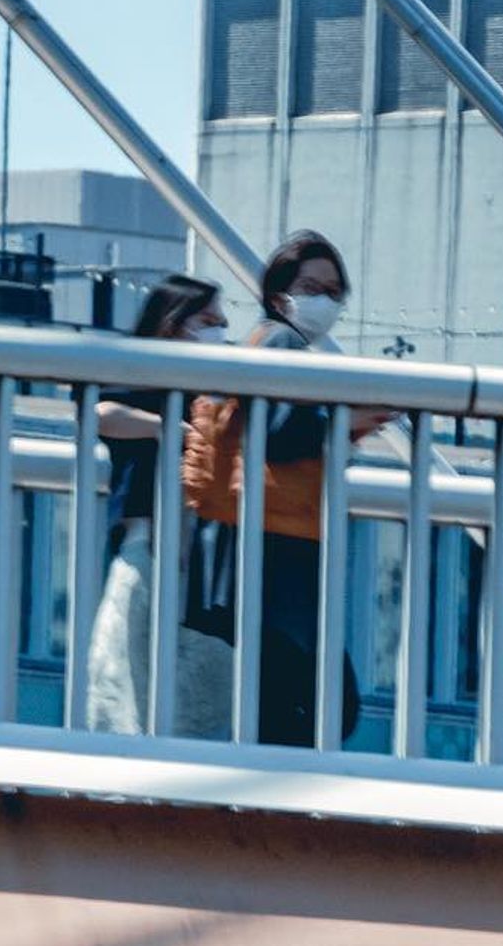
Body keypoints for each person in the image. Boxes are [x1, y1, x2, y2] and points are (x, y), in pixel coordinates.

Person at [184, 228, 389, 747]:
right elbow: (276, 433)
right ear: (280, 294)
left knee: (283, 695)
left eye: (334, 292)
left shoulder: (272, 342)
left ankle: (266, 804)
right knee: (316, 702)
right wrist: (348, 421)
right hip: (273, 543)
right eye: (312, 287)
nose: (325, 301)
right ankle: (272, 808)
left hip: (262, 539)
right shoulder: (280, 341)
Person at [81, 271, 234, 737]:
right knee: (127, 669)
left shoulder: (212, 391)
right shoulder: (142, 373)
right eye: (208, 320)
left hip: (201, 556)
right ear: (173, 322)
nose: (220, 331)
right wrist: (165, 427)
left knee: (186, 677)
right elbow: (98, 413)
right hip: (147, 541)